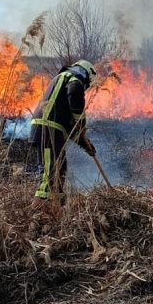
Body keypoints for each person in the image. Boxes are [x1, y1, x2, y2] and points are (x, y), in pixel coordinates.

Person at [29, 59, 97, 203]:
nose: (86, 87)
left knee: (59, 169)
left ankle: (56, 209)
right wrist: (81, 121)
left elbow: (71, 127)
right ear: (87, 75)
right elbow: (75, 99)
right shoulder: (74, 78)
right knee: (50, 176)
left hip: (52, 129)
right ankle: (37, 216)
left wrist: (86, 145)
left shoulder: (64, 80)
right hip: (47, 128)